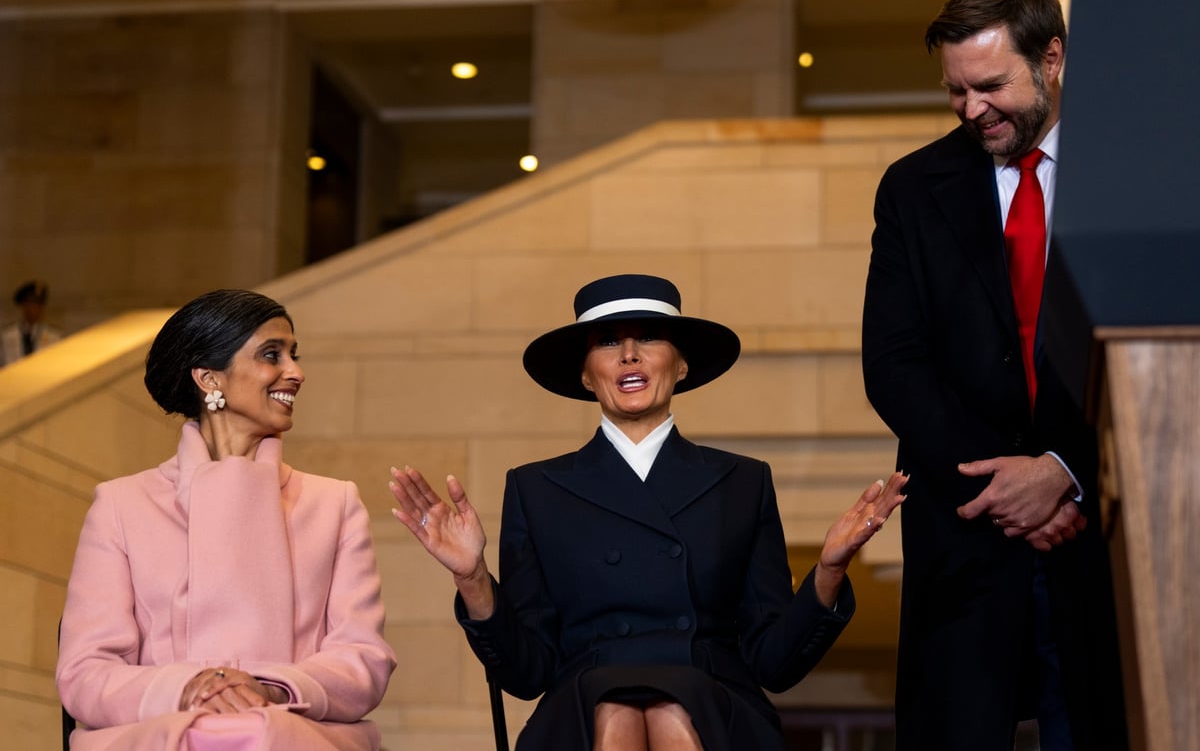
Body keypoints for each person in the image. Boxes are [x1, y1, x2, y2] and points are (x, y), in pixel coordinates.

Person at [389, 273, 907, 750]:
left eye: (649, 339)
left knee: (669, 708)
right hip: (582, 703)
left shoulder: (743, 482)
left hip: (714, 698)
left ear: (682, 365)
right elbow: (528, 673)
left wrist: (830, 570)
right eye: (609, 342)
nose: (630, 356)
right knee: (614, 709)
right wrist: (474, 577)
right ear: (587, 376)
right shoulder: (535, 488)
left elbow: (773, 662)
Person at [862, 0, 1127, 751]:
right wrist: (1013, 480)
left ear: (1051, 59)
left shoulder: (1127, 176)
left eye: (990, 86)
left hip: (1099, 535)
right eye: (955, 91)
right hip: (968, 536)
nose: (972, 109)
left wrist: (1063, 474)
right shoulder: (913, 189)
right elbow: (894, 365)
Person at [56, 289, 396, 750]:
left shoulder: (334, 504)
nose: (296, 373)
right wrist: (191, 687)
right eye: (271, 354)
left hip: (293, 733)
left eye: (294, 355)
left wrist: (271, 688)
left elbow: (363, 661)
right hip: (162, 734)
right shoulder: (122, 505)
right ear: (209, 379)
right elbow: (84, 673)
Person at [1, 279, 64, 366]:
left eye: (38, 304)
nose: (34, 308)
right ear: (23, 305)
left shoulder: (53, 336)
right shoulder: (8, 336)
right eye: (30, 303)